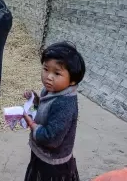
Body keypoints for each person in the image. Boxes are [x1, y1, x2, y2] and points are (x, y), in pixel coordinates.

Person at [22, 41, 85, 181]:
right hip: (41, 155)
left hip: (53, 164)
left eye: (57, 73)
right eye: (46, 69)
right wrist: (35, 100)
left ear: (73, 80)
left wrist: (32, 125)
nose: (48, 77)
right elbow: (46, 108)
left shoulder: (64, 103)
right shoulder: (51, 90)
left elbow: (52, 138)